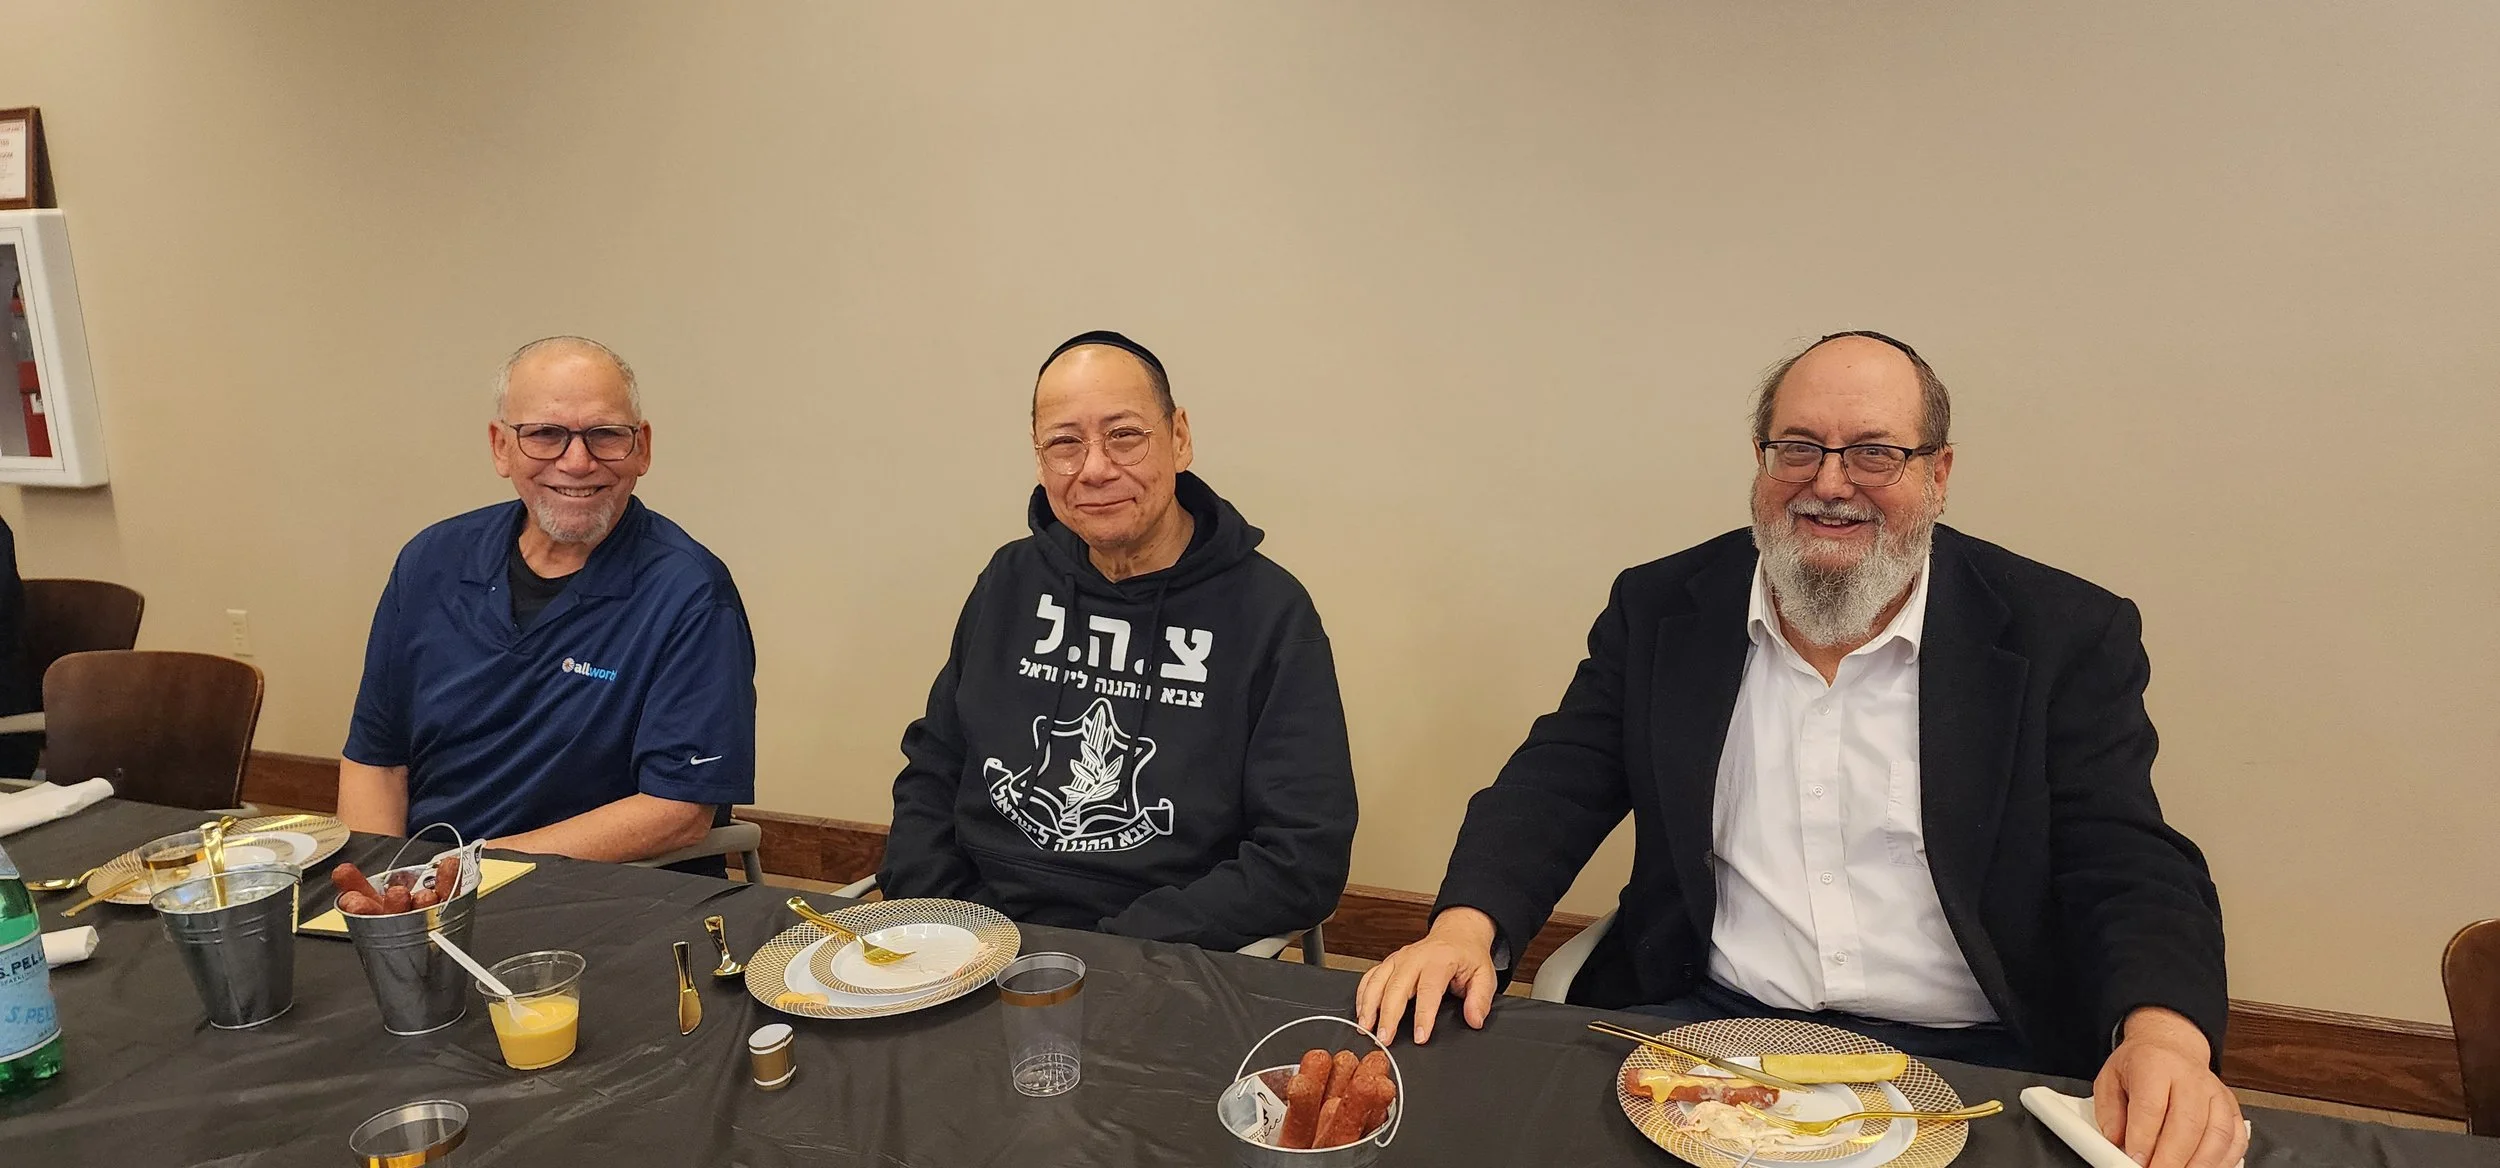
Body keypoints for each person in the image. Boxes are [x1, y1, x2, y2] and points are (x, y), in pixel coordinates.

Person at [1357, 332, 2243, 1168]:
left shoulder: (2062, 632)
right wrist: (1463, 929)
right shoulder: (1664, 607)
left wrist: (2165, 1035)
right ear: (1760, 462)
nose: (1830, 482)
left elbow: (2123, 854)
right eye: (1799, 448)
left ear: (1939, 473)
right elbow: (1556, 783)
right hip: (1707, 1032)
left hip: (1978, 1056)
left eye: (1874, 452)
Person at [879, 330, 1355, 952]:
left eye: (1124, 435)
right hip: (972, 942)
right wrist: (952, 922)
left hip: (1158, 956)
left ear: (1179, 436)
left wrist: (1113, 953)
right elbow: (933, 771)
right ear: (1039, 456)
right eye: (1065, 444)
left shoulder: (1269, 612)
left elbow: (1301, 857)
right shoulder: (1008, 580)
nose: (1096, 469)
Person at [337, 336, 756, 871]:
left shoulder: (689, 593)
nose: (576, 462)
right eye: (544, 435)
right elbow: (377, 761)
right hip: (424, 890)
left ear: (642, 448)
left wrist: (468, 872)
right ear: (500, 447)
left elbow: (677, 811)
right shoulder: (431, 562)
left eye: (605, 435)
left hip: (597, 894)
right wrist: (381, 885)